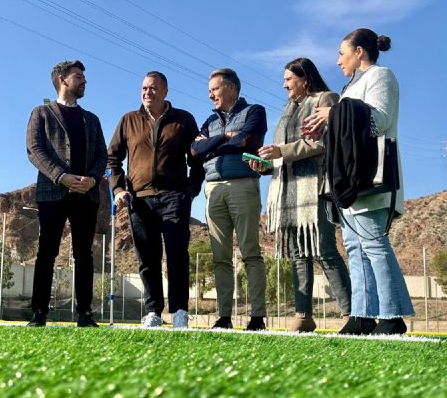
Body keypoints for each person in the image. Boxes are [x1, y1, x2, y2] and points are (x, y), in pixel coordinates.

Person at [303, 28, 414, 335]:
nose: (338, 60)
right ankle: (362, 315)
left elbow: (378, 122)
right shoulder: (350, 87)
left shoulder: (381, 76)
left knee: (374, 243)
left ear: (359, 52)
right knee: (354, 247)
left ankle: (392, 316)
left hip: (372, 175)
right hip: (349, 177)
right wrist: (324, 129)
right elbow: (348, 130)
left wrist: (335, 113)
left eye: (342, 53)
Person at [248, 58, 352, 332]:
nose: (284, 84)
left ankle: (350, 313)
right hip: (288, 193)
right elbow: (284, 150)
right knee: (298, 254)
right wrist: (266, 164)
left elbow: (319, 142)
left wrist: (280, 152)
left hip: (316, 187)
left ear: (304, 78)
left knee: (325, 250)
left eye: (288, 79)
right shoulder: (287, 109)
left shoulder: (326, 99)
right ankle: (303, 316)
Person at [107, 71, 203, 329]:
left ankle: (180, 311)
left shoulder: (183, 120)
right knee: (147, 258)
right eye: (144, 88)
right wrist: (117, 189)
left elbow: (197, 160)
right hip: (139, 199)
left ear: (165, 91)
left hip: (174, 198)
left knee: (176, 254)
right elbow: (112, 159)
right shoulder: (128, 120)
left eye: (153, 88)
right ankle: (153, 312)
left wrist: (190, 191)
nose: (147, 92)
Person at [26, 60, 107, 327]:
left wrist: (93, 179)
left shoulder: (92, 119)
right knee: (47, 252)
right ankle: (39, 312)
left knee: (84, 254)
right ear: (63, 80)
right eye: (79, 76)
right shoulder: (41, 113)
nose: (84, 81)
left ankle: (84, 313)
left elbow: (101, 156)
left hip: (87, 194)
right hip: (52, 193)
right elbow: (35, 150)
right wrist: (63, 177)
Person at [191, 68, 268, 330]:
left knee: (250, 252)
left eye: (214, 88)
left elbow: (245, 142)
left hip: (243, 185)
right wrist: (224, 137)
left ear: (232, 88)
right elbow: (194, 151)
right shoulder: (209, 121)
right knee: (220, 256)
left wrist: (211, 146)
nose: (210, 94)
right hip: (212, 189)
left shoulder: (254, 112)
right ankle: (224, 317)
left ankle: (257, 317)